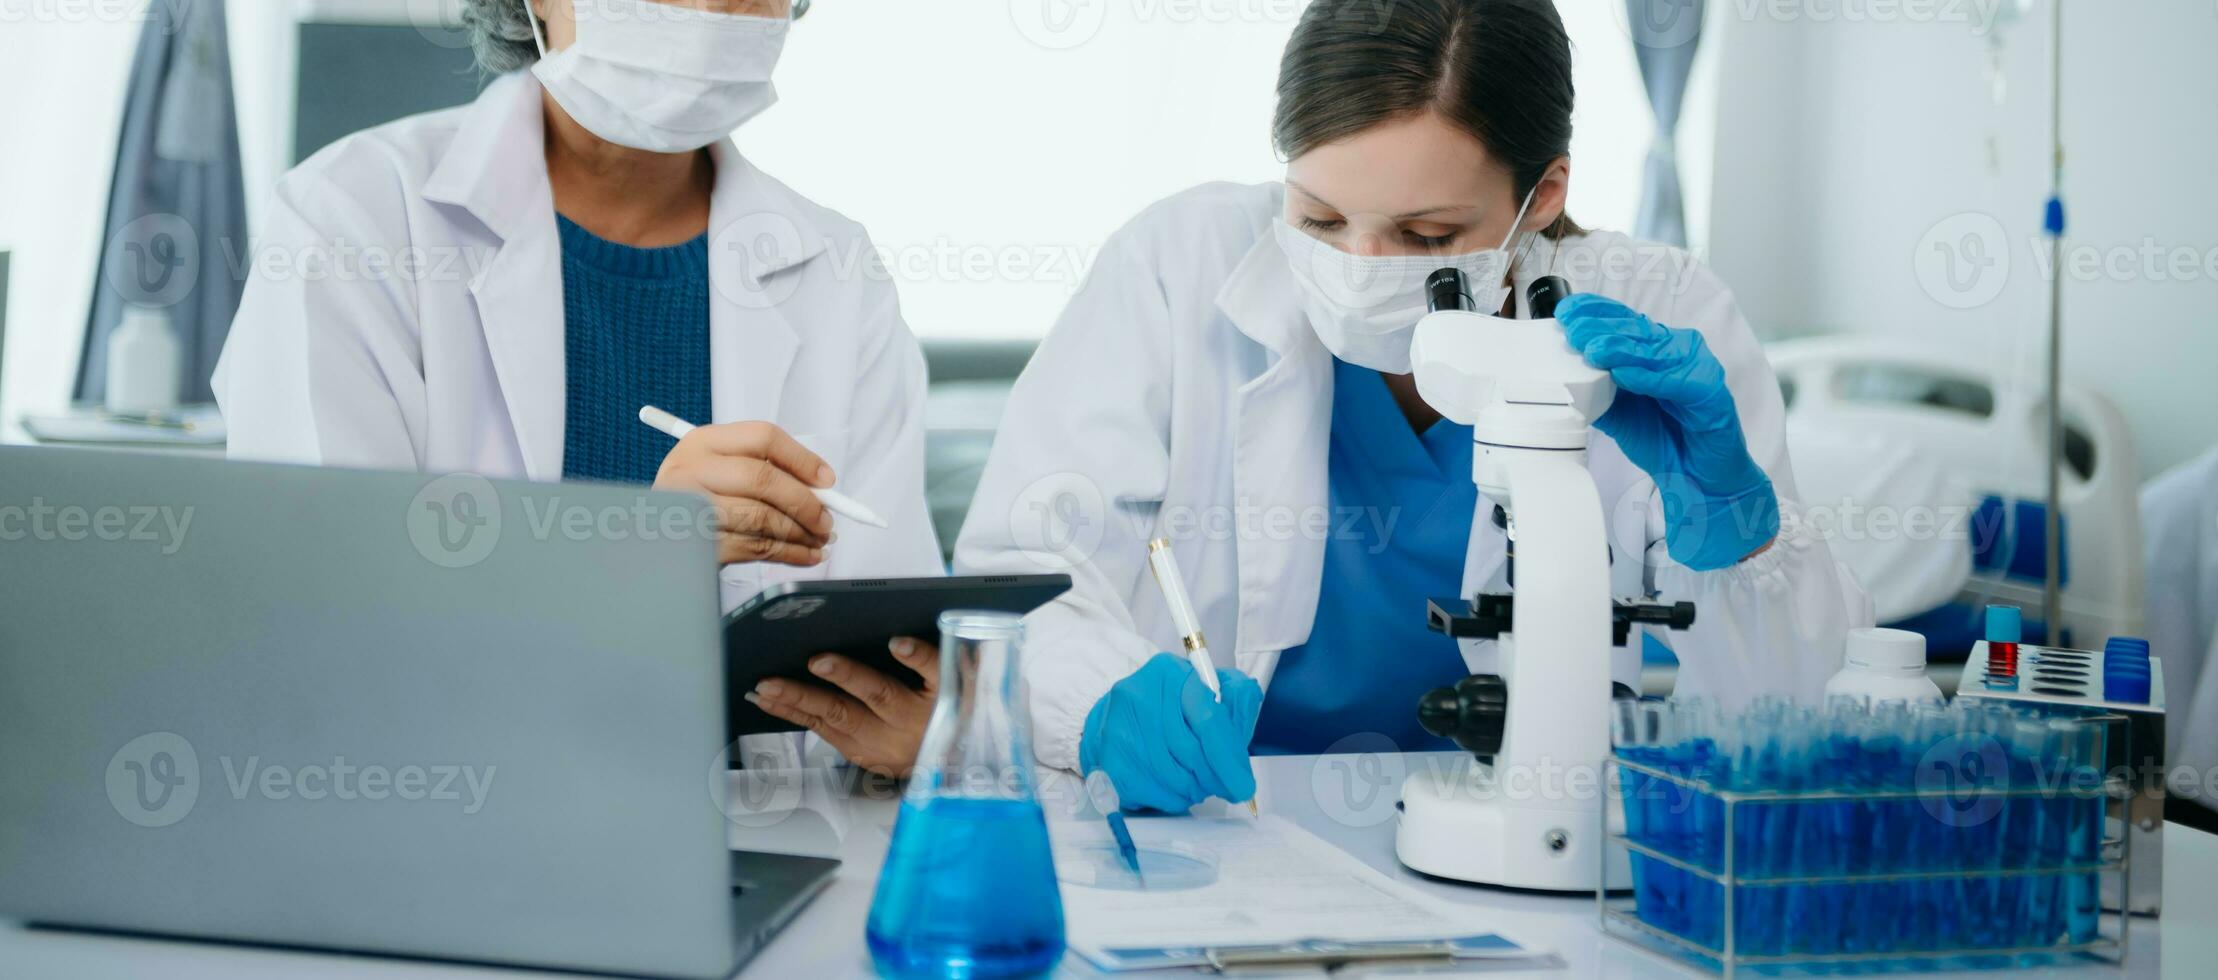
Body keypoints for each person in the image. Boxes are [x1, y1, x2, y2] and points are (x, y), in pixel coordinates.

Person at [952, 0, 1871, 812]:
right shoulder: (1175, 267)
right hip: (1227, 834)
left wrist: (1739, 538)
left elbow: (1804, 715)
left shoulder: (1664, 316)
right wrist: (1099, 701)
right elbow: (1021, 572)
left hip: (1524, 850)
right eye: (1316, 219)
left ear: (1543, 197)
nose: (1357, 267)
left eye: (1427, 236)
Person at [213, 0, 938, 774]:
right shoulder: (354, 218)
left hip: (771, 850)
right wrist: (631, 561)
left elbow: (891, 643)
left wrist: (919, 736)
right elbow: (324, 635)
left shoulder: (835, 269)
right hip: (448, 832)